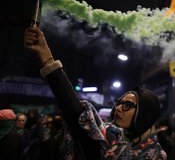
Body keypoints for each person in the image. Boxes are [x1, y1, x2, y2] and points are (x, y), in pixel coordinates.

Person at [24, 26, 167, 160]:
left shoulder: (155, 155)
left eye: (128, 105)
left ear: (144, 114)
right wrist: (46, 57)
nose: (117, 108)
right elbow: (74, 110)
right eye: (119, 103)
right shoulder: (100, 138)